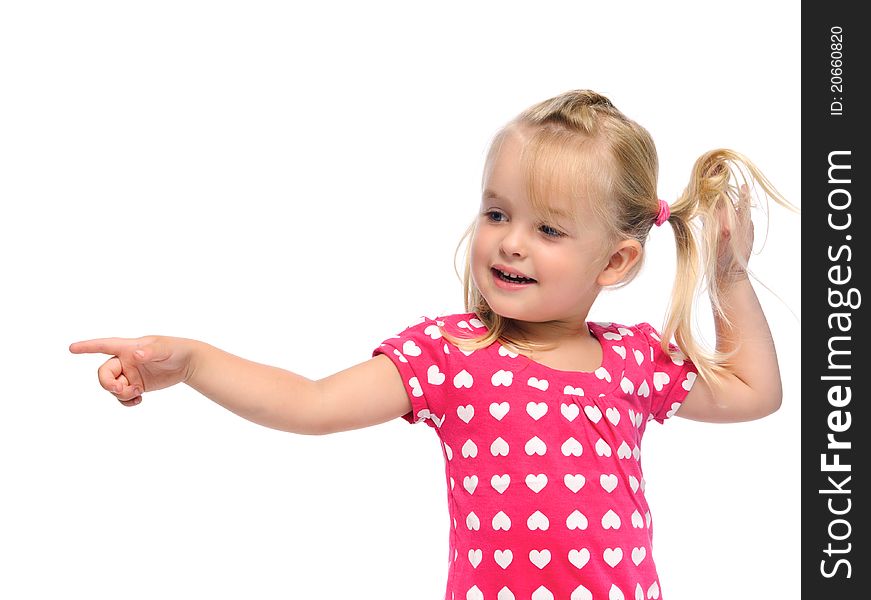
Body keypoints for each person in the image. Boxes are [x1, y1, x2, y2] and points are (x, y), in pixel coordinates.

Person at [69, 89, 797, 600]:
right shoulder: (453, 354)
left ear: (613, 263)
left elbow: (752, 393)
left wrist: (728, 275)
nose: (509, 242)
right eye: (495, 212)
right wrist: (193, 361)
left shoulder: (631, 362)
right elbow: (311, 402)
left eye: (547, 229)